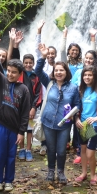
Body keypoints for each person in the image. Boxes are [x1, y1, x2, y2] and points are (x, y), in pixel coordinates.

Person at [0, 31, 30, 192]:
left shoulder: (24, 89)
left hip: (14, 128)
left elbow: (25, 113)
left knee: (11, 156)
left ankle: (9, 180)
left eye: (14, 72)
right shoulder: (1, 81)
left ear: (19, 74)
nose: (10, 74)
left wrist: (21, 132)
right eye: (9, 71)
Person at [36, 43, 80, 184]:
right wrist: (42, 57)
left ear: (66, 72)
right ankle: (50, 171)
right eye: (56, 70)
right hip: (48, 121)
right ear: (53, 72)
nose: (59, 73)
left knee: (61, 151)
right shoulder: (49, 83)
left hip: (65, 124)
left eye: (61, 70)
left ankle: (60, 171)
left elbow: (78, 105)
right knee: (51, 149)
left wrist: (73, 114)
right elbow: (37, 70)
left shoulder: (73, 88)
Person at [7, 29, 42, 162]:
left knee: (29, 129)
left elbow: (38, 93)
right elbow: (14, 59)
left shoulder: (35, 76)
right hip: (18, 105)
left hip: (31, 107)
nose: (28, 65)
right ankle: (21, 149)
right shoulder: (18, 74)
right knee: (20, 126)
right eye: (26, 63)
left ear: (33, 64)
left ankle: (28, 149)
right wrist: (16, 44)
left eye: (30, 63)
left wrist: (34, 107)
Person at [74, 66, 97, 184]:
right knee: (83, 150)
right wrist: (77, 119)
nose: (87, 77)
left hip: (94, 125)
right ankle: (84, 173)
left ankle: (93, 175)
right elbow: (76, 108)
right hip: (82, 124)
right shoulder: (80, 91)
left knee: (90, 153)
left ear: (95, 77)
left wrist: (95, 118)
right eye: (85, 75)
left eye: (90, 75)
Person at [34, 20, 58, 156]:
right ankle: (44, 145)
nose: (50, 55)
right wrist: (38, 31)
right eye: (48, 53)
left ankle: (53, 146)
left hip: (55, 99)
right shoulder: (43, 66)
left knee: (54, 121)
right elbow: (38, 54)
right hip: (44, 98)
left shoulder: (59, 66)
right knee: (44, 121)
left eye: (52, 53)